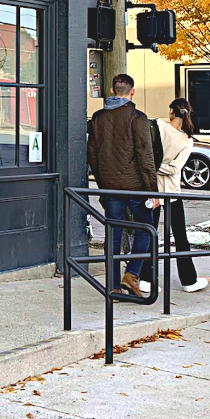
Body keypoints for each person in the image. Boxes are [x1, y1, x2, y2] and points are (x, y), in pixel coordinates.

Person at [87, 73, 157, 297]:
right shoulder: (138, 118)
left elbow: (92, 155)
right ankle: (132, 274)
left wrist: (102, 183)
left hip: (110, 187)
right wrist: (153, 191)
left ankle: (113, 286)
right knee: (146, 228)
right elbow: (146, 156)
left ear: (111, 91)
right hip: (135, 187)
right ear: (132, 92)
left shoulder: (97, 118)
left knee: (113, 234)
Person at [138, 98, 208, 294]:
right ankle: (189, 280)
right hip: (172, 192)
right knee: (180, 236)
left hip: (151, 190)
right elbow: (175, 168)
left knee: (149, 233)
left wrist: (152, 167)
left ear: (171, 111)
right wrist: (163, 167)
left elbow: (145, 155)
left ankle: (145, 278)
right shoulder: (187, 140)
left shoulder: (157, 127)